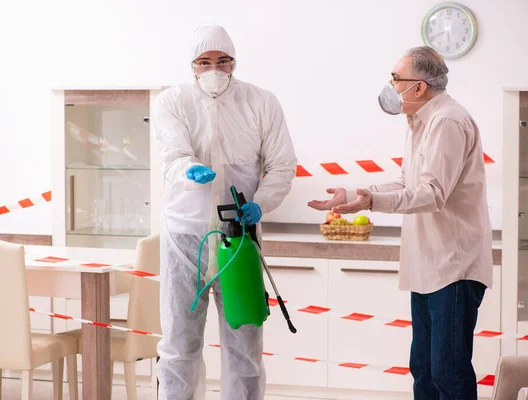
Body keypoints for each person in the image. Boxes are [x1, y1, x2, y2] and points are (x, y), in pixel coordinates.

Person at [308, 46, 493, 400]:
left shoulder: (447, 121)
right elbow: (408, 182)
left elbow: (432, 193)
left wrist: (374, 202)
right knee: (423, 369)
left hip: (453, 268)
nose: (390, 86)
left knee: (448, 372)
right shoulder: (419, 122)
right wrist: (354, 194)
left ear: (419, 87)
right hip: (428, 265)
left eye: (395, 78)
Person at [152, 25, 297, 400]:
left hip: (239, 239)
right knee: (179, 344)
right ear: (192, 65)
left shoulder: (260, 102)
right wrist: (189, 170)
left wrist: (261, 203)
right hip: (187, 237)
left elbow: (282, 165)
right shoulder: (172, 101)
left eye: (223, 61)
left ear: (234, 62)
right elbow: (171, 155)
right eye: (204, 62)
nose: (214, 69)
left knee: (244, 346)